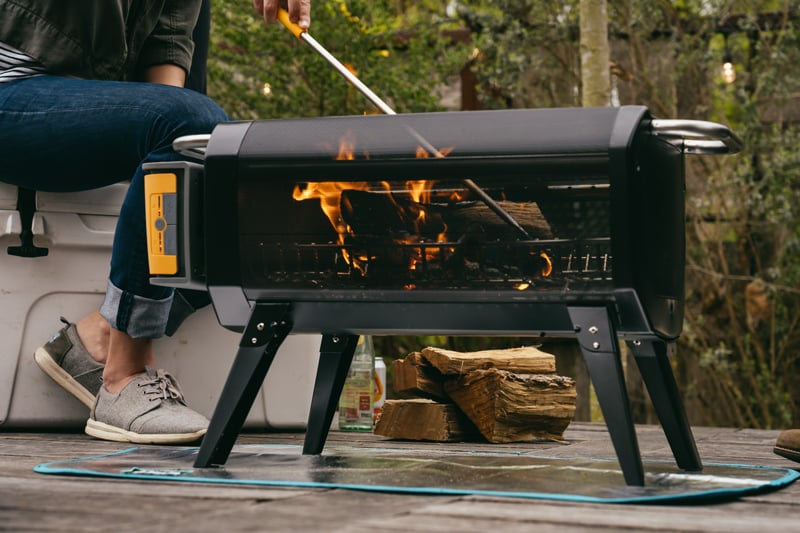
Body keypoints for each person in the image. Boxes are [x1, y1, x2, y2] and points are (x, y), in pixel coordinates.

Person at [0, 0, 311, 444]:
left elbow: (171, 74)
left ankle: (101, 335)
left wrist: (183, 173)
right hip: (11, 92)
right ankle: (122, 376)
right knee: (194, 131)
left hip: (83, 110)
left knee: (224, 172)